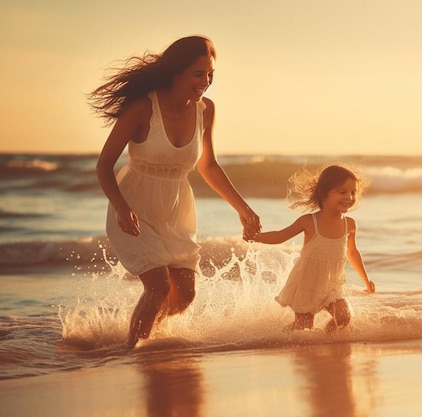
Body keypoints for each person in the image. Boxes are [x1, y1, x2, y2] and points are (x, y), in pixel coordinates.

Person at [89, 35, 261, 348]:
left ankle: (147, 335)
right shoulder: (143, 108)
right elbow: (104, 166)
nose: (206, 82)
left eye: (210, 74)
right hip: (134, 207)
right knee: (156, 288)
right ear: (175, 72)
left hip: (176, 209)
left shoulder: (206, 110)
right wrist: (121, 207)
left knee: (184, 295)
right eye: (199, 74)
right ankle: (132, 352)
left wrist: (243, 208)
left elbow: (208, 166)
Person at [245, 165, 375, 332]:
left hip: (331, 284)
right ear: (323, 193)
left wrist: (366, 280)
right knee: (304, 326)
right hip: (307, 284)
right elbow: (280, 236)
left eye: (353, 192)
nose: (349, 197)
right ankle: (278, 337)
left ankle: (328, 341)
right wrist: (255, 236)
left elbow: (352, 252)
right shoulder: (309, 221)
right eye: (342, 192)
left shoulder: (349, 224)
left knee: (343, 317)